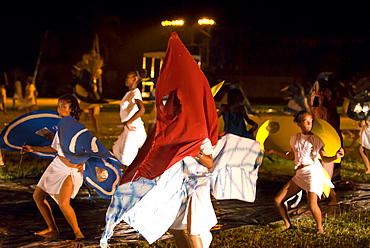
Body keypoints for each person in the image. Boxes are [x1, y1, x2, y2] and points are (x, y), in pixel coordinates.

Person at [268, 110, 344, 234]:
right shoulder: (294, 138)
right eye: (306, 122)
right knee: (278, 200)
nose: (309, 124)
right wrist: (275, 152)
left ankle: (320, 229)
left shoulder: (316, 139)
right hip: (300, 174)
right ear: (298, 123)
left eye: (311, 122)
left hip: (312, 173)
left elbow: (324, 158)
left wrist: (336, 156)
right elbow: (292, 156)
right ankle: (287, 224)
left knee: (312, 204)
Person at [21, 94, 85, 240]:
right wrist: (33, 148)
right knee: (38, 196)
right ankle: (52, 229)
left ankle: (78, 233)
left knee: (63, 203)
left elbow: (87, 148)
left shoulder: (76, 128)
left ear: (72, 109)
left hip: (70, 170)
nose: (60, 108)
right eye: (59, 106)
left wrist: (83, 162)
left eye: (64, 106)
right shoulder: (62, 126)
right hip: (56, 165)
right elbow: (54, 148)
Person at [112, 69, 147, 167]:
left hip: (134, 129)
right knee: (116, 150)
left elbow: (142, 110)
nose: (125, 79)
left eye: (128, 77)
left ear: (135, 79)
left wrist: (128, 122)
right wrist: (125, 123)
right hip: (128, 128)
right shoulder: (129, 93)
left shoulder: (135, 93)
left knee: (125, 159)